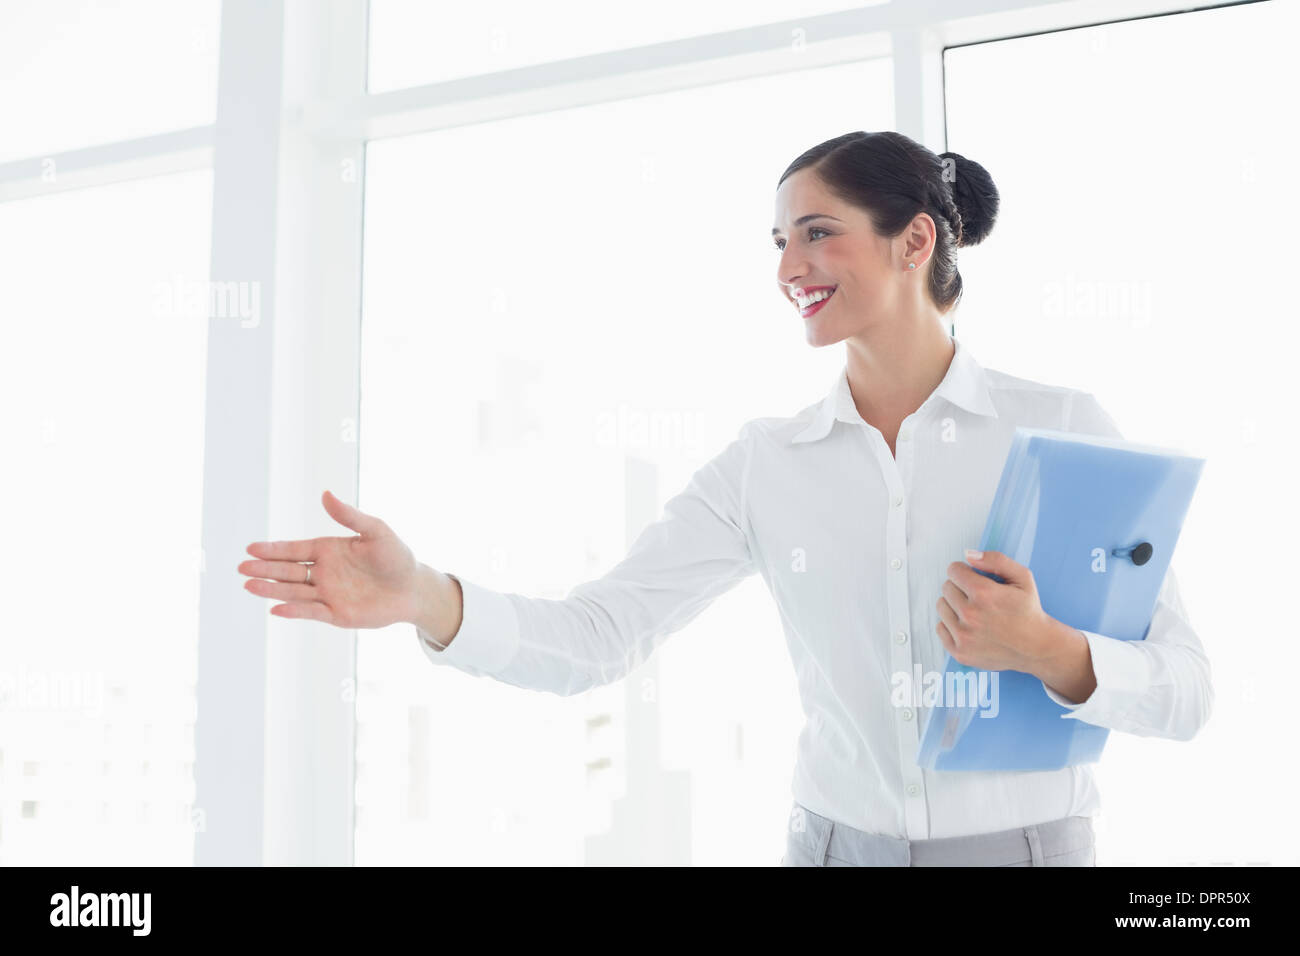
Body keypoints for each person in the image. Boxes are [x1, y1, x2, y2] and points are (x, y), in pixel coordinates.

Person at [237, 130, 1213, 866]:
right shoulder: (766, 464)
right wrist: (425, 596)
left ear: (915, 240)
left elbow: (1184, 687)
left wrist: (1052, 650)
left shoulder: (1061, 425)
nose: (789, 269)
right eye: (781, 242)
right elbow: (598, 634)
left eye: (818, 234)